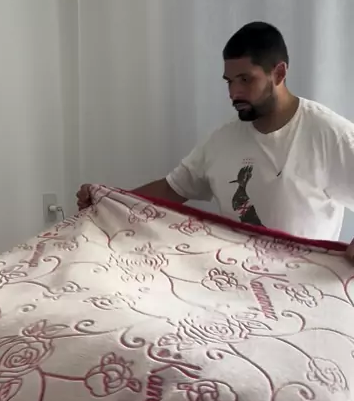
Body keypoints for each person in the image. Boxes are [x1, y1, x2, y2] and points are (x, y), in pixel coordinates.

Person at [77, 21, 354, 251]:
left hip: (304, 288)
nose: (234, 93)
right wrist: (107, 200)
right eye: (229, 82)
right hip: (233, 283)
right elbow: (173, 188)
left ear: (279, 73)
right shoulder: (222, 140)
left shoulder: (330, 135)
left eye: (245, 79)